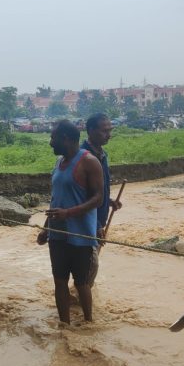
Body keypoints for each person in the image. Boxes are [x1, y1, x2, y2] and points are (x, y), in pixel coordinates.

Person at [37, 120, 103, 324]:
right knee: (59, 281)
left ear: (65, 138)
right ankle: (64, 327)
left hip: (80, 235)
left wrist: (69, 213)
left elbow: (98, 198)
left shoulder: (89, 162)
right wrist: (46, 228)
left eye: (53, 137)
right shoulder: (59, 162)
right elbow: (56, 200)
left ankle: (89, 323)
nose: (50, 142)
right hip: (57, 234)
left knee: (82, 283)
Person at [81, 113, 122, 286]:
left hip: (98, 221)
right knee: (89, 266)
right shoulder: (84, 157)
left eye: (110, 130)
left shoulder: (102, 155)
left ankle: (81, 293)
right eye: (104, 131)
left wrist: (109, 201)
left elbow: (97, 190)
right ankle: (82, 295)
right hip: (86, 223)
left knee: (90, 266)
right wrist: (97, 225)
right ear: (91, 130)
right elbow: (83, 195)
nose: (108, 135)